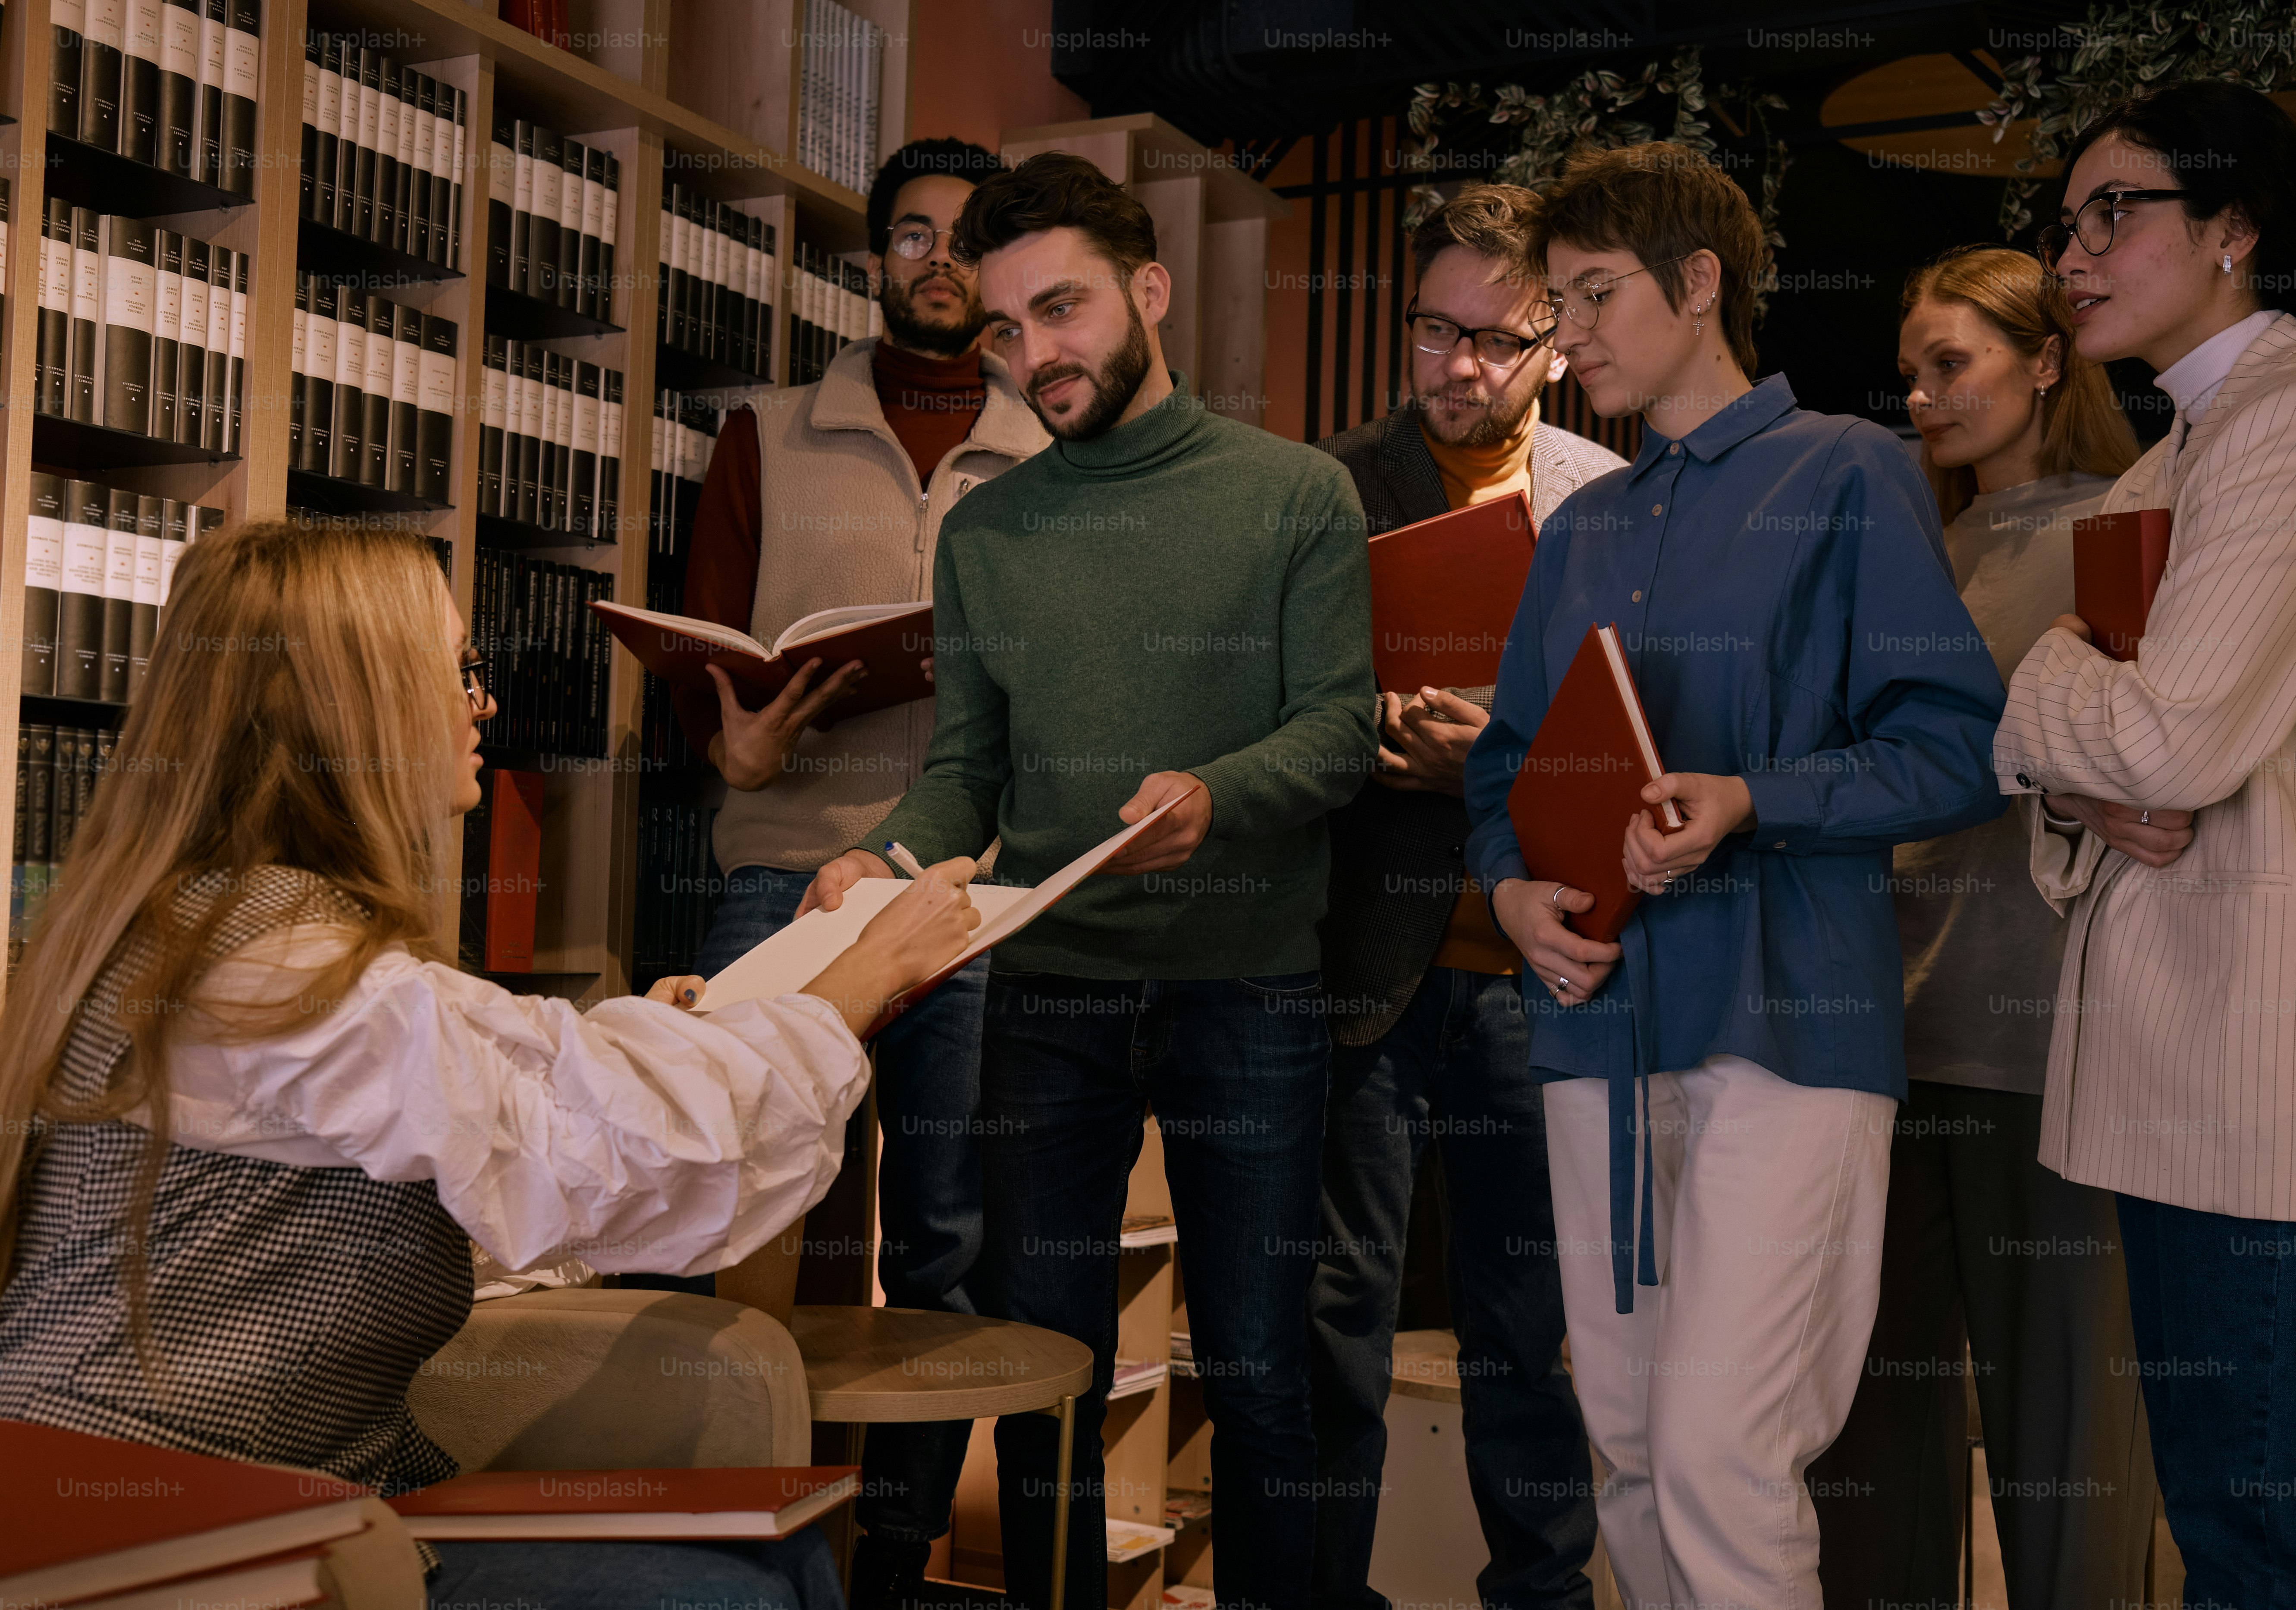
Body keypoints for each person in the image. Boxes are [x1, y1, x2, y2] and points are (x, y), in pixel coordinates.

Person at [0, 521, 981, 1610]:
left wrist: (639, 1045)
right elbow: (600, 1152)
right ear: (352, 701)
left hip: (258, 1507)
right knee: (732, 1593)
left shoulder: (220, 921)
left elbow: (484, 1105)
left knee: (782, 1561)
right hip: (172, 1544)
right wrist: (853, 989)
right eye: (460, 669)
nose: (486, 707)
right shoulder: (285, 966)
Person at [803, 150, 1376, 1609]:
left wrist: (1217, 795)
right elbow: (967, 773)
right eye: (1006, 326)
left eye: (1060, 311)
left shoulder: (1297, 493)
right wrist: (886, 858)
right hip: (1048, 992)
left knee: (1256, 1371)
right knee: (1043, 1373)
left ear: (1149, 290)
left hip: (1249, 989)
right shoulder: (989, 533)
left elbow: (1339, 728)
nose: (1034, 354)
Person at [1460, 142, 2006, 1609]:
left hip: (1789, 1020)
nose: (1567, 335)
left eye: (1595, 293)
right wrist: (1512, 893)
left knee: (1717, 1450)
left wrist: (1754, 797)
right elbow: (1505, 769)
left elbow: (1959, 747)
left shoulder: (1853, 470)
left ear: (1701, 284)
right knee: (1630, 1441)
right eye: (1557, 301)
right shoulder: (1578, 527)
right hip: (1597, 1025)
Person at [1995, 79, 2296, 1607]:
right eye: (2069, 223)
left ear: (2236, 229)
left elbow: (2168, 742)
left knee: (2263, 1544)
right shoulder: (2165, 463)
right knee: (2221, 1516)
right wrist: (2084, 769)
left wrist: (2045, 678)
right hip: (2183, 1069)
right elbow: (2109, 799)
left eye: (2121, 210)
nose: (2079, 252)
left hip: (2269, 1083)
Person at [665, 135, 1050, 1603]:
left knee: (942, 1240)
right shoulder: (768, 427)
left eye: (968, 237)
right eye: (911, 235)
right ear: (871, 257)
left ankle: (894, 1554)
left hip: (963, 893)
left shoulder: (1049, 446)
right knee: (760, 1232)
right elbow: (707, 654)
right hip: (781, 875)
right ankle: (758, 1545)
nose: (939, 260)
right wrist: (735, 742)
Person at [1807, 245, 2152, 1610]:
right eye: (1911, 372)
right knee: (1871, 1448)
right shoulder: (1910, 542)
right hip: (1882, 1039)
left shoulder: (2125, 526)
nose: (1923, 397)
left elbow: (2151, 775)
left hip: (2049, 1040)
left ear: (2049, 357)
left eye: (1953, 363)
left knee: (2064, 1452)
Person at [1308, 182, 1613, 1610]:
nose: (1458, 365)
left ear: (1553, 344)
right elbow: (1265, 704)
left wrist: (1496, 751)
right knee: (1335, 1319)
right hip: (1360, 962)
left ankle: (1540, 1596)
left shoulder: (1608, 501)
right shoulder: (1327, 485)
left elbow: (1642, 742)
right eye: (1435, 328)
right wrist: (1357, 732)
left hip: (1537, 971)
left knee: (1527, 1330)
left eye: (1497, 340)